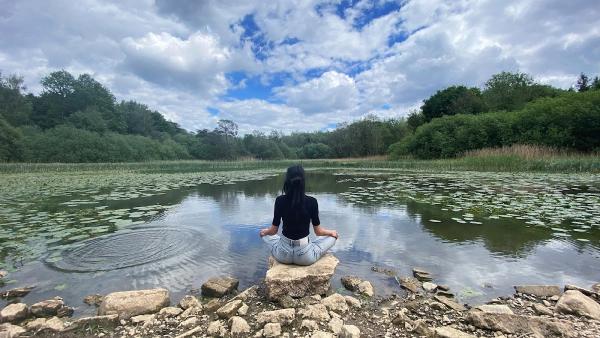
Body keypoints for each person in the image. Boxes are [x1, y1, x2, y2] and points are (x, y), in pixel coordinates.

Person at [260, 165, 338, 266]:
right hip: (305, 256)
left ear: (287, 180)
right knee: (332, 238)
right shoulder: (312, 202)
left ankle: (280, 245)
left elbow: (273, 231)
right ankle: (311, 248)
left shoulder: (280, 200)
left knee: (267, 236)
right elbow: (318, 232)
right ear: (303, 181)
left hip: (283, 254)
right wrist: (332, 232)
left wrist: (264, 232)